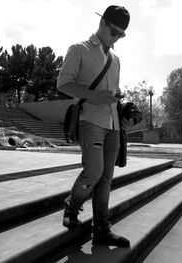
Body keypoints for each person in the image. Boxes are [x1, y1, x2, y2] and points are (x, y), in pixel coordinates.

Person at [57, 6, 134, 247]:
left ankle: (101, 230)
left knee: (106, 178)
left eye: (121, 35)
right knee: (93, 172)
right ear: (102, 23)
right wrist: (95, 96)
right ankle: (72, 206)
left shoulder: (116, 60)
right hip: (90, 120)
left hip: (112, 124)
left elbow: (111, 93)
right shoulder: (79, 50)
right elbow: (63, 84)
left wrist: (123, 105)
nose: (116, 38)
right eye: (114, 32)